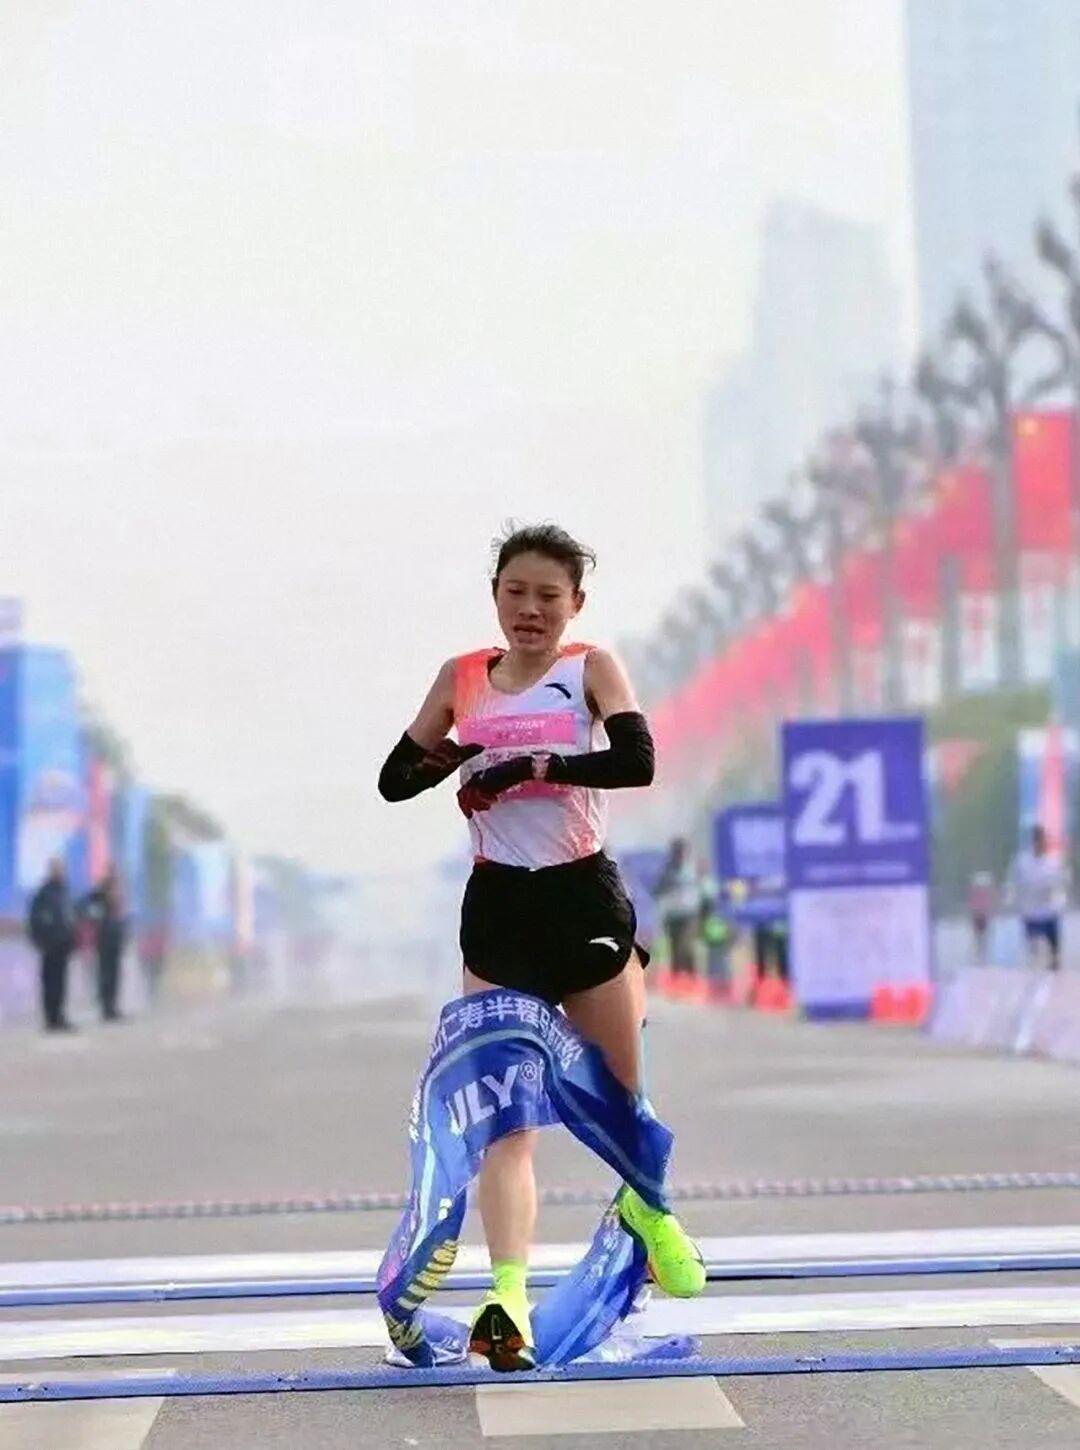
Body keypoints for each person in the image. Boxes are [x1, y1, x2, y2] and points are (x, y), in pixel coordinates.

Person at [378, 523, 704, 1372]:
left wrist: (537, 768)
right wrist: (452, 754)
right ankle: (509, 1300)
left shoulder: (590, 668)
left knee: (620, 1107)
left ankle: (649, 1211)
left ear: (575, 605)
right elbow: (393, 781)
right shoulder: (461, 679)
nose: (531, 610)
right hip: (500, 913)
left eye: (548, 597)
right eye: (516, 593)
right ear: (496, 597)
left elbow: (636, 761)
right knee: (506, 1123)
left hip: (582, 899)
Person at [1008, 825, 1070, 972]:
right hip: (1030, 912)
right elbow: (1013, 883)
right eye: (1037, 841)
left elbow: (1061, 884)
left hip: (1049, 911)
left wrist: (1061, 903)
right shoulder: (1022, 862)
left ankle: (1054, 967)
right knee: (1034, 948)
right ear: (1033, 842)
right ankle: (1035, 970)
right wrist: (1013, 900)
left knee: (1054, 950)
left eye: (1042, 841)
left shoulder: (1053, 862)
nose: (1040, 844)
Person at [26, 857, 77, 1032]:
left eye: (61, 869)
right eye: (56, 869)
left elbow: (70, 917)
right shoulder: (44, 893)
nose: (59, 872)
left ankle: (59, 1016)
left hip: (63, 946)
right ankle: (50, 1018)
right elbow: (35, 919)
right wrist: (39, 941)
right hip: (49, 947)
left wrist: (72, 939)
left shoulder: (65, 891)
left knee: (61, 984)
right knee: (50, 983)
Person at [79, 866, 128, 1021]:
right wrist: (95, 919)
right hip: (104, 938)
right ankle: (106, 1007)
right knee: (105, 974)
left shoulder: (119, 892)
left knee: (114, 974)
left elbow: (121, 916)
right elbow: (85, 906)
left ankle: (112, 1006)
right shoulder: (98, 893)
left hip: (115, 938)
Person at [655, 837, 701, 976]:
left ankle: (691, 975)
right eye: (677, 851)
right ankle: (676, 977)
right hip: (673, 915)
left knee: (686, 946)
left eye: (682, 851)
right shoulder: (667, 871)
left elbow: (701, 889)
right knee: (675, 947)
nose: (680, 854)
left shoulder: (692, 869)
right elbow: (657, 890)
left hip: (689, 914)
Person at [967, 871, 996, 964]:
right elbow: (973, 905)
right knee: (980, 936)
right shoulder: (977, 893)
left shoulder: (979, 893)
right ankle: (980, 955)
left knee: (981, 936)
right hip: (979, 916)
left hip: (981, 916)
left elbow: (987, 905)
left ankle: (981, 955)